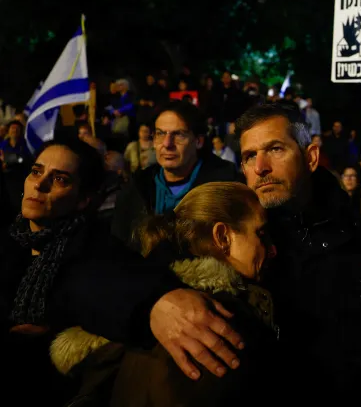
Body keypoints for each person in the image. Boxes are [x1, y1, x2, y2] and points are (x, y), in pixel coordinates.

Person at [51, 182, 279, 406]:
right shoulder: (215, 322)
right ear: (223, 237)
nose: (272, 249)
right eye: (261, 233)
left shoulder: (137, 317)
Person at [0, 138, 177, 404]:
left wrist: (55, 332)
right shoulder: (7, 243)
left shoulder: (98, 252)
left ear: (83, 199)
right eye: (36, 171)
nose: (40, 184)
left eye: (60, 179)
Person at [235, 103, 361, 401]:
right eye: (250, 156)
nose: (261, 167)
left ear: (311, 157)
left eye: (275, 149)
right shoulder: (226, 239)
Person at [112, 101, 238, 248]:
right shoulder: (136, 188)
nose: (167, 143)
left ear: (198, 141)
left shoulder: (225, 188)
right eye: (160, 134)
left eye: (178, 134)